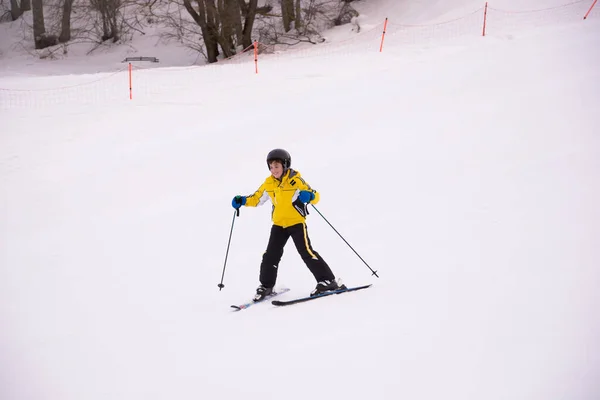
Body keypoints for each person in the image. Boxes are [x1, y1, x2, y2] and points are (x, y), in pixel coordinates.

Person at [231, 149, 345, 301]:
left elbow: (314, 194)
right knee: (270, 255)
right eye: (271, 167)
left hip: (296, 222)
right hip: (278, 225)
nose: (274, 170)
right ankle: (266, 286)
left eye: (277, 166)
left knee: (306, 252)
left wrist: (309, 196)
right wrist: (243, 200)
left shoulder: (295, 180)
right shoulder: (268, 183)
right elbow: (257, 198)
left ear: (285, 165)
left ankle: (328, 281)